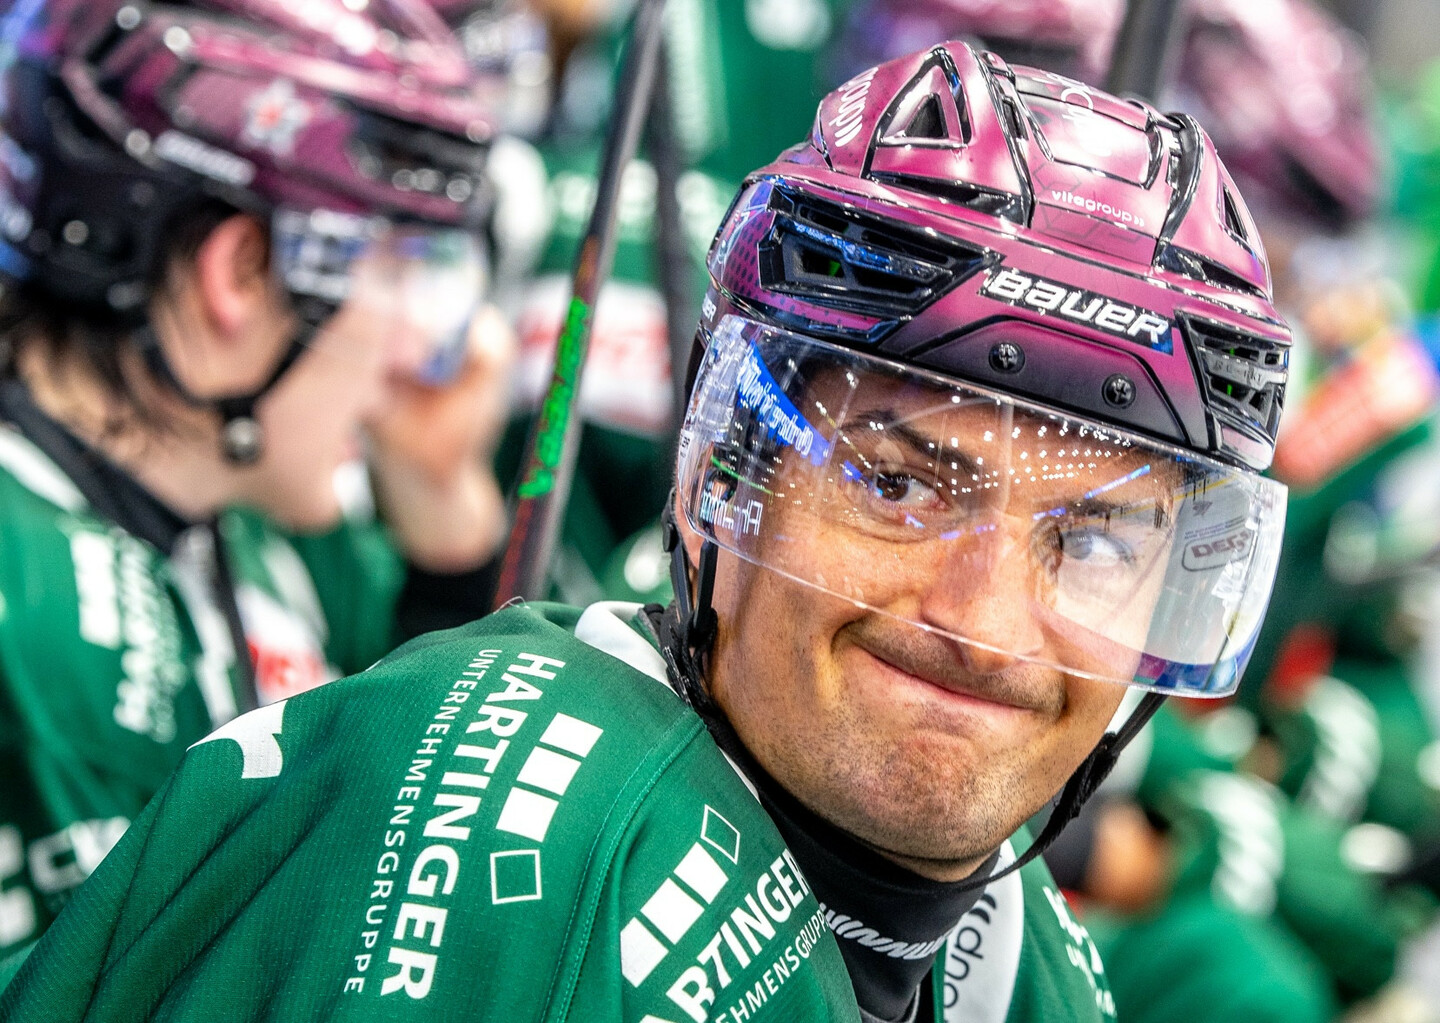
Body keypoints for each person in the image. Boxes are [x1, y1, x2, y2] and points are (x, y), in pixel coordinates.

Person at [0, 40, 1291, 1023]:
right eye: (900, 488)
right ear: (719, 475)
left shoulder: (1006, 932)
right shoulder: (521, 845)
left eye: (1095, 543)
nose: (985, 619)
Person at [0, 0, 515, 956]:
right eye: (396, 263)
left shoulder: (251, 516)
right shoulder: (35, 630)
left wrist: (446, 519)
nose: (425, 351)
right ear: (238, 272)